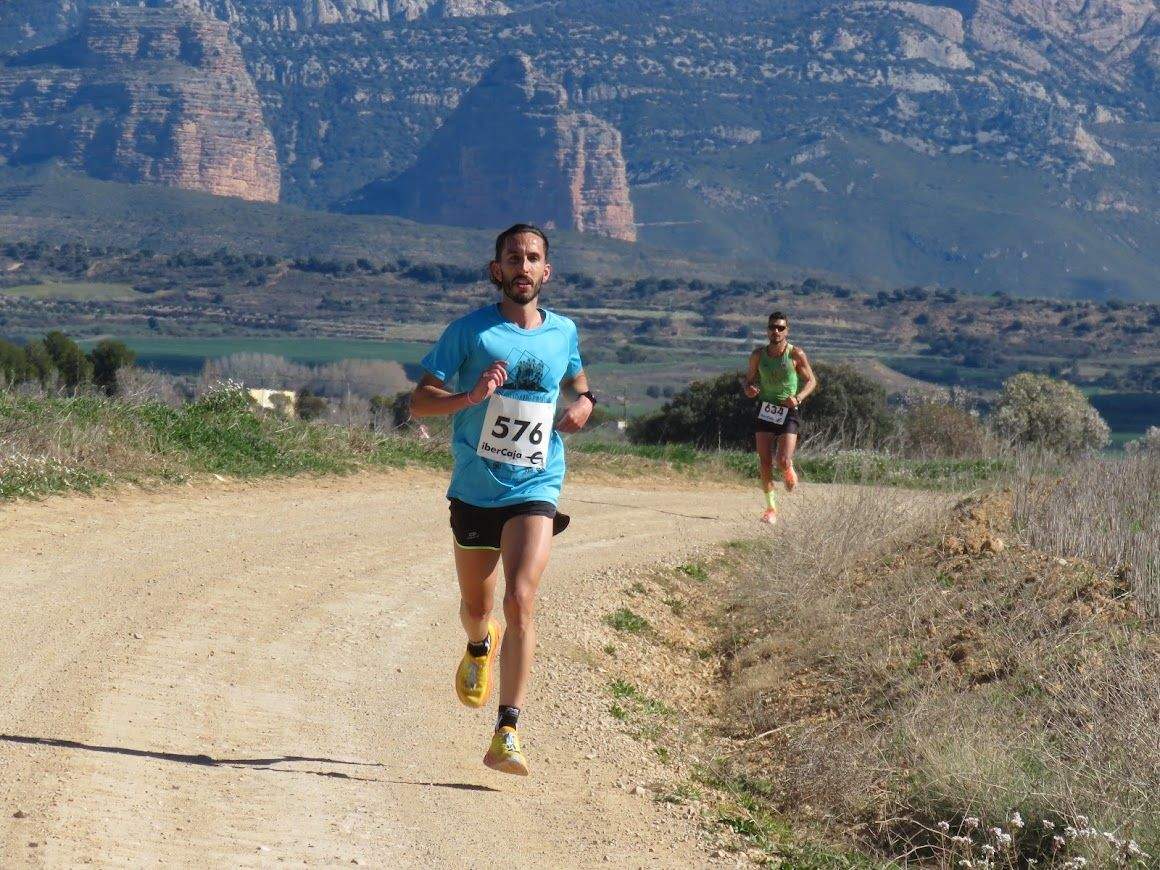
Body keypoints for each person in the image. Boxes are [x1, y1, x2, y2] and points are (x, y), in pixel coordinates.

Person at [410, 223, 595, 776]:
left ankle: (507, 730)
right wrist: (469, 397)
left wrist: (585, 406)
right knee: (478, 609)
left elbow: (582, 386)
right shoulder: (469, 332)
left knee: (520, 600)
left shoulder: (563, 331)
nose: (522, 266)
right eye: (512, 258)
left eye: (532, 257)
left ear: (546, 272)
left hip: (535, 484)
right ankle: (476, 646)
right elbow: (419, 402)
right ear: (497, 271)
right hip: (474, 486)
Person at [743, 311, 817, 524]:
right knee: (765, 462)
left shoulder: (796, 354)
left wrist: (799, 398)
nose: (776, 331)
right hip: (765, 410)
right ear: (767, 330)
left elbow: (811, 381)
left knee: (782, 460)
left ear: (787, 331)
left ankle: (788, 467)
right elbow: (747, 381)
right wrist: (749, 389)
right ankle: (771, 509)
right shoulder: (758, 355)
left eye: (780, 328)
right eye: (772, 327)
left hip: (788, 412)